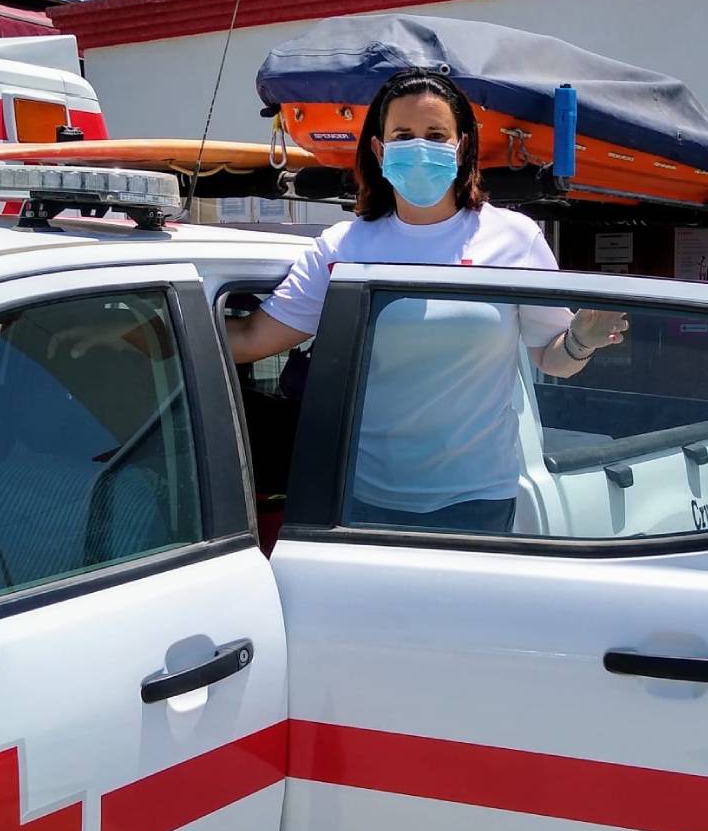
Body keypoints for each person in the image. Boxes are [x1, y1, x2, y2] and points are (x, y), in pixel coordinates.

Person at [226, 68, 627, 534]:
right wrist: (139, 339)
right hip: (360, 498)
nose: (419, 146)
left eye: (436, 134)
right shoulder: (342, 247)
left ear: (459, 147)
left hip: (477, 501)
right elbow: (254, 337)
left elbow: (552, 357)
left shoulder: (513, 238)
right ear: (379, 149)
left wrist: (582, 339)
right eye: (403, 134)